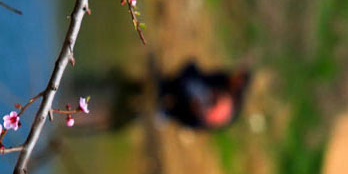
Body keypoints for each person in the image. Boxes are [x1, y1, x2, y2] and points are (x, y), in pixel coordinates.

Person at [71, 61, 252, 132]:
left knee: (131, 111)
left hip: (173, 106)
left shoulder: (226, 106)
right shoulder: (221, 82)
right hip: (171, 95)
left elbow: (203, 116)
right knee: (133, 93)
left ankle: (88, 116)